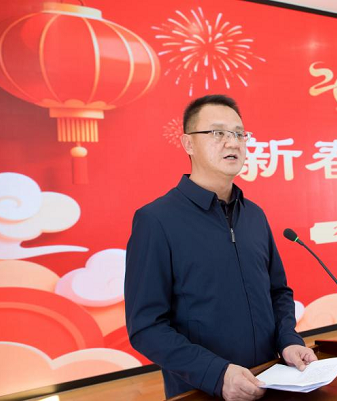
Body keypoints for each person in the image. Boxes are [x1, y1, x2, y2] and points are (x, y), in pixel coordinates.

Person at [125, 94, 317, 400]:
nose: (233, 143)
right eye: (217, 133)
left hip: (269, 380)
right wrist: (217, 374)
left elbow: (278, 292)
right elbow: (146, 327)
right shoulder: (156, 220)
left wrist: (288, 340)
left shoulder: (254, 215)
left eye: (239, 134)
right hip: (202, 390)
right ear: (188, 143)